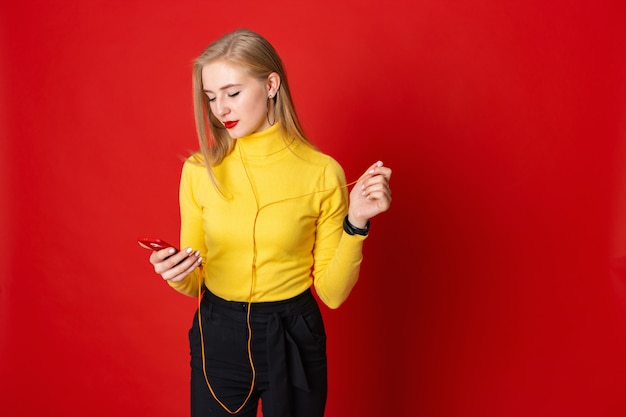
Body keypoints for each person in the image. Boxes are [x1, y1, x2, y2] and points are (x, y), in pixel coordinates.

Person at [147, 28, 392, 417]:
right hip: (219, 332)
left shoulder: (322, 172)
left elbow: (332, 293)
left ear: (271, 84)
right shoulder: (199, 171)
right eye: (210, 97)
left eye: (233, 92)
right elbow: (194, 282)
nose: (220, 109)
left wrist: (356, 222)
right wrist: (175, 272)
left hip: (293, 333)